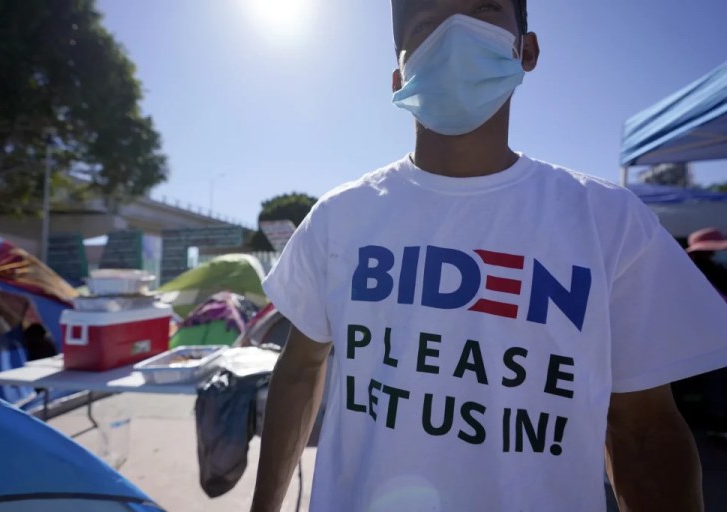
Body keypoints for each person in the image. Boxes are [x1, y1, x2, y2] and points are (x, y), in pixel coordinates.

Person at [251, 1, 727, 511]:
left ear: (527, 50)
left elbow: (642, 429)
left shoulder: (610, 223)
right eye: (426, 22)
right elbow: (299, 370)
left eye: (483, 9)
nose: (456, 32)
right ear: (398, 77)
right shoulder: (338, 217)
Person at [686, 228, 727, 441]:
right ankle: (717, 423)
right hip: (711, 337)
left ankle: (717, 422)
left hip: (711, 336)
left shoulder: (703, 271)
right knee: (716, 381)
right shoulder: (702, 273)